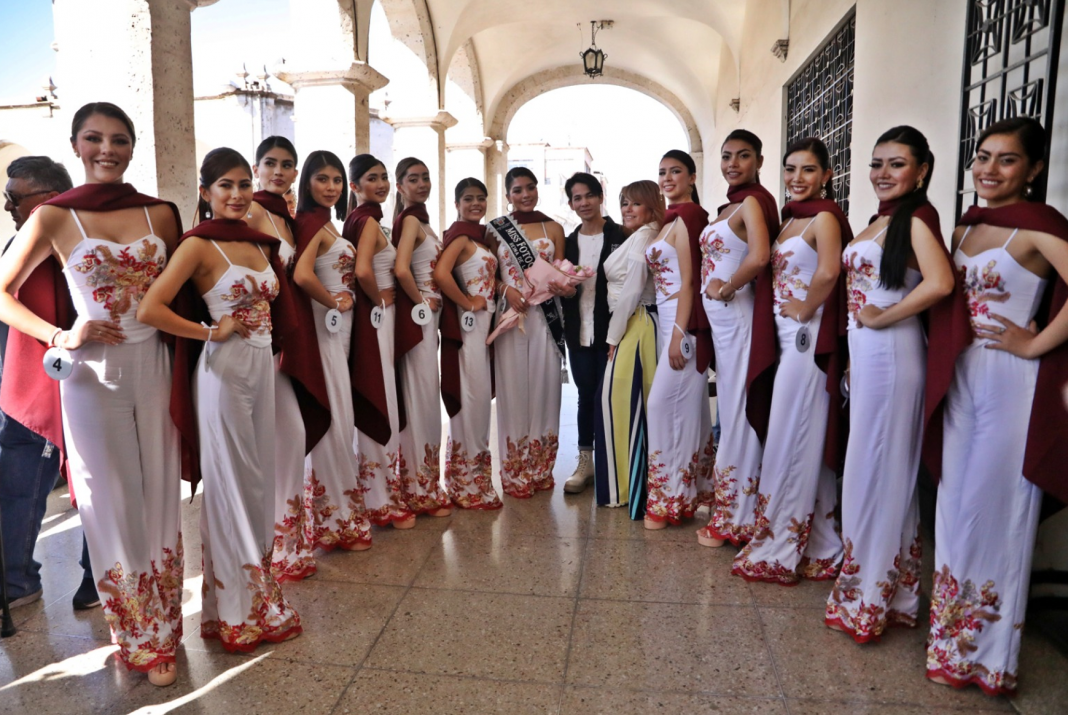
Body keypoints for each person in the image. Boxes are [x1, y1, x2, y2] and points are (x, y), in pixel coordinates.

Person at [0, 102, 183, 686]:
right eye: (94, 138)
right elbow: (2, 292)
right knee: (107, 501)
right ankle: (135, 636)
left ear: (133, 146)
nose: (107, 149)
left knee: (158, 494)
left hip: (155, 364)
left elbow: (183, 295)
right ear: (76, 145)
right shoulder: (55, 217)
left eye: (119, 139)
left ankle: (164, 626)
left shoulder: (162, 214)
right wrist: (61, 333)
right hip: (89, 377)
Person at [138, 147, 304, 654]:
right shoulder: (198, 245)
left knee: (257, 485)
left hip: (260, 371)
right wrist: (209, 330)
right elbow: (151, 308)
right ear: (207, 192)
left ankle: (246, 599)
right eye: (225, 186)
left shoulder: (259, 244)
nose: (236, 195)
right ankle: (237, 613)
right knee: (232, 486)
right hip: (222, 373)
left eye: (242, 185)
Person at [928, 117, 1068, 696]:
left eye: (1006, 160)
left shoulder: (1040, 226)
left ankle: (989, 658)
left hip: (1012, 384)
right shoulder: (968, 226)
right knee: (954, 508)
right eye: (982, 156)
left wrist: (1035, 342)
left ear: (1033, 170)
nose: (988, 169)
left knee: (994, 514)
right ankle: (949, 643)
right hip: (961, 378)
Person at [826, 127, 961, 642]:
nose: (883, 173)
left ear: (922, 170)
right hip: (871, 359)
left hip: (895, 352)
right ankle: (889, 591)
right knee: (869, 472)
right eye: (876, 163)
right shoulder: (880, 221)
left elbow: (941, 282)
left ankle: (872, 595)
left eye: (896, 164)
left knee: (879, 473)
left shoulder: (917, 219)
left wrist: (887, 317)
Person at [730, 136, 846, 585]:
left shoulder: (824, 217)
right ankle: (822, 543)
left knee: (792, 434)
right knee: (799, 435)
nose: (797, 179)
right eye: (791, 169)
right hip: (784, 336)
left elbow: (830, 271)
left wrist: (805, 308)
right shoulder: (790, 221)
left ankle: (781, 543)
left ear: (827, 175)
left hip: (805, 338)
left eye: (809, 170)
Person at [0, 156, 101, 612]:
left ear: (46, 198)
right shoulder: (32, 235)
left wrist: (58, 339)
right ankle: (27, 581)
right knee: (22, 486)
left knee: (87, 486)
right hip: (25, 383)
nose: (8, 208)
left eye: (14, 198)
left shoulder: (60, 232)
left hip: (59, 379)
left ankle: (90, 580)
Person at [248, 136, 332, 582]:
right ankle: (277, 545)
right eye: (271, 163)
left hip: (291, 332)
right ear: (257, 167)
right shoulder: (251, 209)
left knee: (291, 435)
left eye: (287, 165)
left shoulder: (285, 214)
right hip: (263, 336)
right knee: (279, 437)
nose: (279, 171)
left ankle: (288, 543)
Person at [695, 130, 776, 548]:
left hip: (741, 317)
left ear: (759, 161)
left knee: (741, 412)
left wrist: (727, 287)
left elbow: (760, 256)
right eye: (726, 156)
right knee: (730, 407)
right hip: (725, 326)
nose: (733, 163)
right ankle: (735, 506)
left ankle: (738, 518)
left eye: (743, 156)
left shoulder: (752, 202)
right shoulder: (730, 205)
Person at [293, 150, 373, 551]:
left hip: (338, 333)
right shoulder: (310, 222)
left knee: (342, 420)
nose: (331, 187)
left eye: (337, 180)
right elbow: (302, 274)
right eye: (322, 179)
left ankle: (338, 519)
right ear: (307, 182)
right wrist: (333, 300)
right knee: (334, 422)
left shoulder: (328, 223)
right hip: (325, 332)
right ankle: (335, 522)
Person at [643, 150, 714, 529]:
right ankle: (691, 493)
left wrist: (679, 333)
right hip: (669, 318)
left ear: (692, 176)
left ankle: (671, 498)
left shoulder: (689, 217)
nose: (668, 178)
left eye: (675, 171)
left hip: (682, 322)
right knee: (688, 410)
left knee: (661, 407)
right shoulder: (670, 219)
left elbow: (689, 280)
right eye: (662, 173)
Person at [487, 167, 567, 498]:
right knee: (513, 389)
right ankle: (514, 469)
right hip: (512, 314)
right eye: (518, 190)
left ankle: (541, 466)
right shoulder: (495, 230)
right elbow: (485, 274)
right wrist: (508, 290)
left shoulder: (555, 227)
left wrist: (565, 286)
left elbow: (563, 271)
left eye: (530, 188)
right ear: (507, 195)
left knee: (546, 388)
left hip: (547, 316)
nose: (525, 194)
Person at [344, 154, 414, 527]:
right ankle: (381, 498)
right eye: (373, 178)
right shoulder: (368, 219)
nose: (382, 183)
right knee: (381, 392)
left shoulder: (357, 218)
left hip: (370, 316)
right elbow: (362, 269)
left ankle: (376, 491)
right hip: (377, 317)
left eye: (385, 176)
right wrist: (380, 297)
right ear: (354, 186)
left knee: (381, 391)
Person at [595, 180, 663, 516]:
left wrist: (612, 337)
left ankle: (629, 490)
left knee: (621, 404)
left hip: (634, 325)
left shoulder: (644, 237)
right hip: (634, 325)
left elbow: (632, 292)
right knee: (625, 404)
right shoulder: (642, 235)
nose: (627, 209)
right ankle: (630, 487)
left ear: (651, 205)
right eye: (623, 203)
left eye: (635, 203)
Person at [435, 178, 502, 509]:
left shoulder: (481, 238)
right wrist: (465, 301)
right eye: (468, 199)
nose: (475, 204)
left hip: (484, 325)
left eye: (481, 198)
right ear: (458, 203)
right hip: (470, 326)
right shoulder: (461, 237)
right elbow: (441, 274)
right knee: (471, 402)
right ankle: (465, 485)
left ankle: (471, 481)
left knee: (478, 405)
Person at [392, 157, 451, 516]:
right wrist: (422, 303)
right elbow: (401, 268)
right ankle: (418, 489)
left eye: (426, 177)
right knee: (420, 401)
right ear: (400, 187)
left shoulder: (424, 221)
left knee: (426, 399)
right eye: (413, 179)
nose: (422, 184)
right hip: (420, 320)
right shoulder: (410, 219)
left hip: (430, 319)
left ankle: (423, 484)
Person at [560, 172, 626, 494]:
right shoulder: (568, 242)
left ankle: (614, 462)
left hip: (613, 332)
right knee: (586, 396)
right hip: (579, 331)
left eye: (589, 195)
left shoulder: (621, 235)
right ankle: (586, 462)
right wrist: (565, 289)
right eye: (576, 198)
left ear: (601, 196)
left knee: (612, 397)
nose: (583, 203)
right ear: (571, 204)